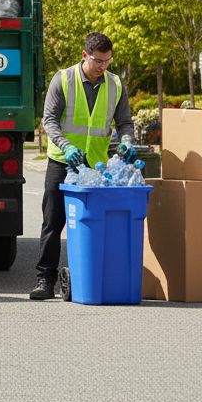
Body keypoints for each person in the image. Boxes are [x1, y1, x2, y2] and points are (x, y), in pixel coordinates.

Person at [30, 31, 137, 301]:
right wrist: (66, 146)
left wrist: (126, 141)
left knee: (95, 224)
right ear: (84, 55)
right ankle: (45, 279)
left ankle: (94, 276)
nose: (103, 67)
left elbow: (125, 122)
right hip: (64, 160)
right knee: (53, 222)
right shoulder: (63, 80)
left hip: (96, 165)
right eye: (98, 61)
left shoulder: (115, 84)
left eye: (107, 61)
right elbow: (49, 119)